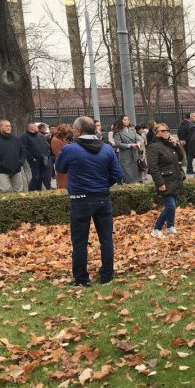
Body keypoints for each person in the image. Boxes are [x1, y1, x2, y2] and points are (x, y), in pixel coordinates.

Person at [55, 116, 124, 286]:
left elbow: (59, 168)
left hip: (80, 199)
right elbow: (118, 176)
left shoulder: (70, 149)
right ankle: (107, 276)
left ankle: (81, 279)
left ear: (79, 131)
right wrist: (102, 186)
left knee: (79, 242)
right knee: (106, 239)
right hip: (102, 199)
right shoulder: (107, 149)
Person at [146, 123, 186, 238]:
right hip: (165, 180)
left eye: (167, 130)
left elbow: (181, 158)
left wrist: (176, 145)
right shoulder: (153, 146)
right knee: (170, 206)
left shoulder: (170, 144)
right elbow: (153, 167)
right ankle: (156, 228)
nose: (166, 132)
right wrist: (160, 183)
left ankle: (170, 226)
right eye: (162, 131)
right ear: (156, 133)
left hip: (175, 178)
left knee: (173, 203)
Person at [0, 120, 26, 193]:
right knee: (5, 191)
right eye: (6, 126)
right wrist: (1, 164)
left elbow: (23, 152)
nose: (9, 127)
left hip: (16, 170)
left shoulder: (16, 139)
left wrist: (20, 162)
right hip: (2, 171)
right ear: (0, 127)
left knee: (19, 191)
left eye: (9, 126)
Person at [21, 122, 52, 191]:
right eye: (36, 127)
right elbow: (24, 149)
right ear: (31, 128)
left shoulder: (39, 136)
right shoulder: (24, 137)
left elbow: (45, 145)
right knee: (36, 177)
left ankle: (39, 191)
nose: (37, 128)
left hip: (43, 159)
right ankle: (31, 191)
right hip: (34, 161)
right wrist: (32, 158)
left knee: (41, 177)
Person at [112, 115, 143, 183]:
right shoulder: (118, 131)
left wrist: (138, 143)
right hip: (125, 156)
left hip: (135, 155)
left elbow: (138, 138)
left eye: (128, 119)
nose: (127, 121)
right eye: (125, 120)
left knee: (137, 176)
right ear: (121, 121)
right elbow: (118, 143)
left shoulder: (132, 129)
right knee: (128, 176)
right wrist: (129, 145)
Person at [50, 124, 72, 189]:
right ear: (63, 133)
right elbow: (59, 154)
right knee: (63, 183)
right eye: (67, 133)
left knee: (67, 182)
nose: (68, 135)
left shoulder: (62, 139)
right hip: (62, 163)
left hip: (66, 163)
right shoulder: (55, 140)